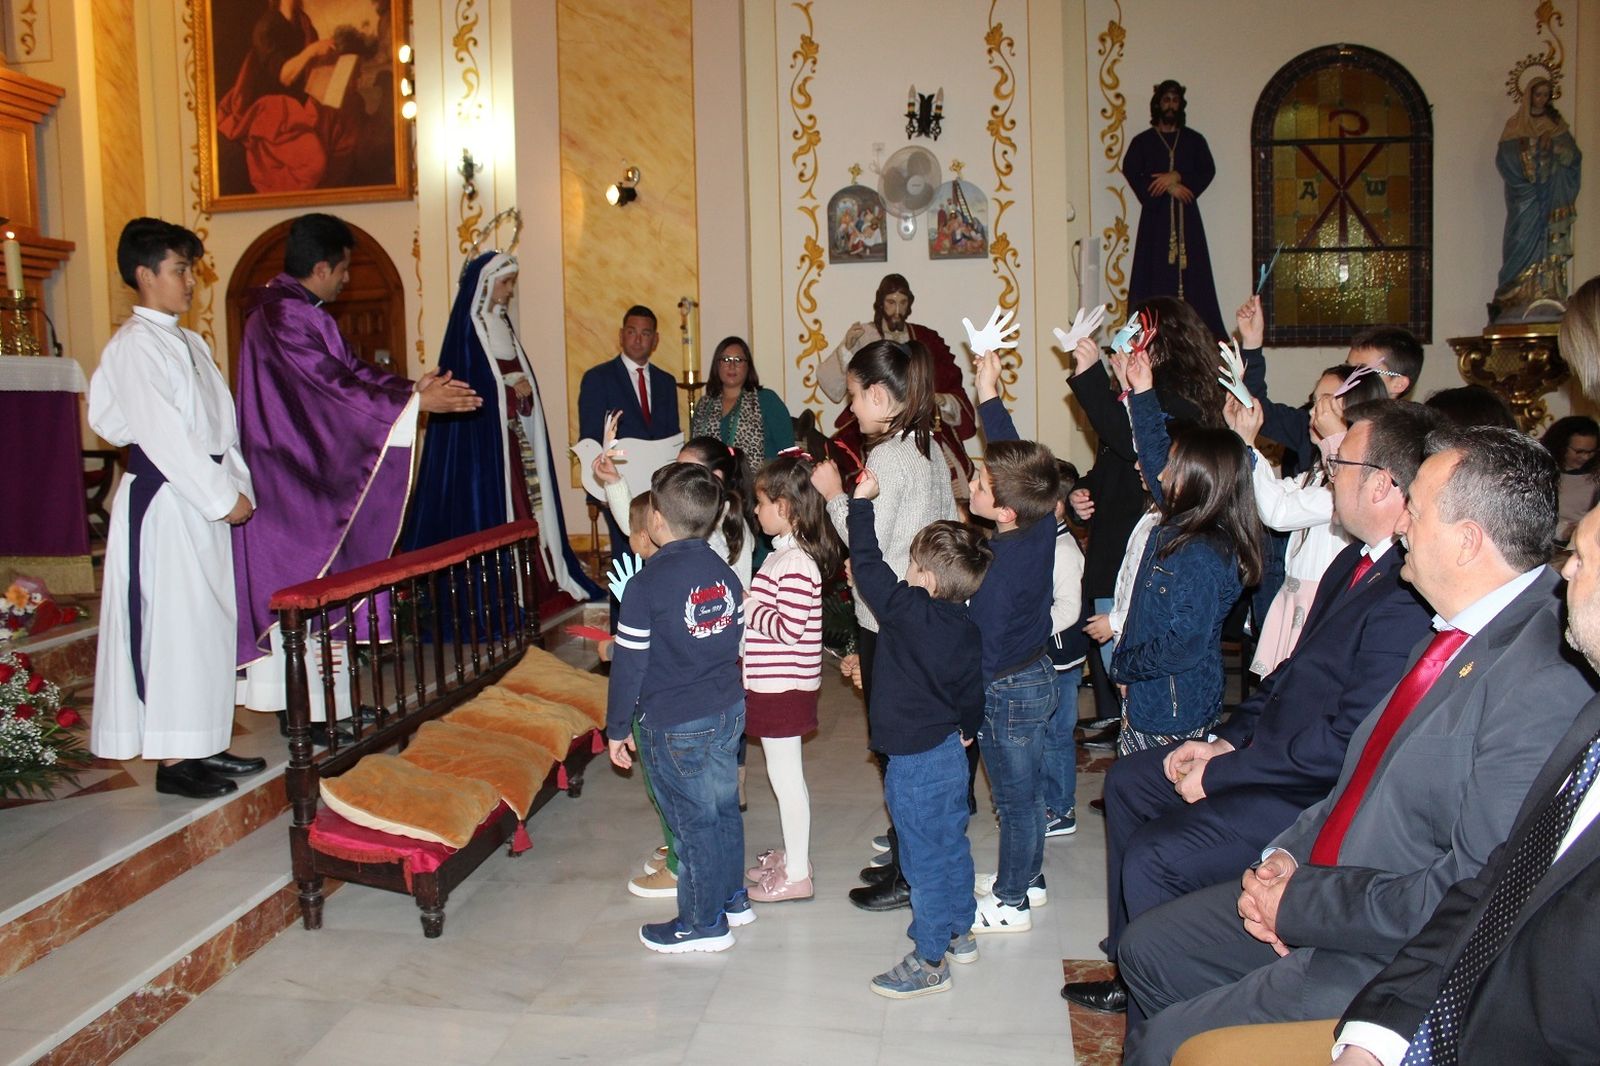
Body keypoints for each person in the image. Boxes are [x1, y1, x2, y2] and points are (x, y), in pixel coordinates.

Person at [1116, 425, 1597, 1065]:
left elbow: (1471, 888)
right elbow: (1361, 777)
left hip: (1379, 950)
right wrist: (1287, 855)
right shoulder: (1456, 625)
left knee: (1169, 1045)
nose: (1400, 530)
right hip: (1327, 882)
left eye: (1416, 514)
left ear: (1468, 541)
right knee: (1147, 948)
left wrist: (1301, 905)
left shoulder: (1541, 680)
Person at [1064, 400, 1437, 1015]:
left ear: (1380, 484)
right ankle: (1129, 957)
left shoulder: (1403, 593)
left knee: (1158, 856)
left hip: (1305, 794)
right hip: (1268, 760)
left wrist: (1224, 771)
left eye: (1340, 461)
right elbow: (1290, 677)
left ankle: (1163, 997)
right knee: (1131, 780)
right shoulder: (1353, 561)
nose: (1327, 468)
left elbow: (1346, 742)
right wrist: (1224, 743)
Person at [232, 213, 480, 728]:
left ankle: (329, 707)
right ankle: (309, 715)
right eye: (343, 268)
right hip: (294, 484)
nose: (347, 279)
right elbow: (333, 391)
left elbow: (348, 374)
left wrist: (411, 392)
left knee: (320, 595)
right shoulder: (287, 319)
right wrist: (413, 406)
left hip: (298, 476)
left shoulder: (292, 313)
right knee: (308, 595)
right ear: (321, 267)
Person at [89, 218, 263, 799]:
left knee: (205, 622)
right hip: (166, 500)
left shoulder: (188, 342)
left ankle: (202, 741)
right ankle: (172, 759)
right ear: (145, 275)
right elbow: (164, 436)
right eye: (180, 269)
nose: (191, 282)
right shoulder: (136, 346)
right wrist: (221, 496)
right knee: (171, 625)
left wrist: (237, 486)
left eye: (191, 269)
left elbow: (221, 426)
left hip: (201, 496)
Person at [813, 339, 957, 911]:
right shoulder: (925, 446)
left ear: (878, 395)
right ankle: (904, 856)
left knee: (897, 746)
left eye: (852, 397)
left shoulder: (890, 459)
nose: (850, 409)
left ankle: (910, 872)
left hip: (888, 615)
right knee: (905, 743)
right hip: (916, 612)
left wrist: (831, 497)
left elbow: (864, 536)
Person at [847, 470, 990, 998]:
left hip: (912, 761)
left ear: (927, 578)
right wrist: (969, 732)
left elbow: (866, 563)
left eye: (911, 564)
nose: (904, 572)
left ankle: (930, 958)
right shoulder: (967, 628)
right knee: (950, 843)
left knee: (922, 858)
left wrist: (861, 503)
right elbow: (972, 693)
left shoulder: (907, 611)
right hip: (951, 754)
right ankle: (960, 930)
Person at [401, 251, 601, 614]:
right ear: (488, 284)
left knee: (527, 513)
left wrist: (522, 393)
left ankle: (538, 581)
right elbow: (472, 388)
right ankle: (503, 593)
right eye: (506, 283)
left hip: (513, 444)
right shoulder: (469, 330)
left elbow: (511, 380)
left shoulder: (502, 325)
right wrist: (510, 392)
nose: (509, 291)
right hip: (483, 452)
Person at [605, 463, 747, 954]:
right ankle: (732, 897)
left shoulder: (648, 585)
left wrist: (616, 726)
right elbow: (732, 639)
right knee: (724, 807)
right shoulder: (724, 571)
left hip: (675, 723)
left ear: (657, 522)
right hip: (728, 710)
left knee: (693, 825)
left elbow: (628, 664)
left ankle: (702, 922)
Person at [1113, 344, 1263, 755]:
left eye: (1171, 468)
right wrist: (1142, 390)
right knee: (1133, 796)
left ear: (1197, 481)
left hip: (1172, 709)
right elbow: (1154, 450)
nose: (1159, 472)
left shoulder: (1200, 551)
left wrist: (1126, 664)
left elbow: (1185, 644)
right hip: (1151, 693)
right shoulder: (1184, 518)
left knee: (1155, 803)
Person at [963, 349, 1064, 935]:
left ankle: (1011, 899)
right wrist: (988, 394)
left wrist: (966, 708)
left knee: (1015, 800)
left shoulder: (997, 570)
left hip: (1005, 688)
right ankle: (1029, 875)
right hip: (1036, 676)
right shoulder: (1040, 518)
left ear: (1001, 510)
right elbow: (1018, 458)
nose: (972, 481)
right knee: (1023, 795)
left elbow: (988, 650)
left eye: (978, 481)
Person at [1229, 365, 1387, 677]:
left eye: (1327, 402)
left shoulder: (1353, 479)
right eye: (1314, 401)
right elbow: (1275, 495)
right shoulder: (1318, 473)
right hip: (1297, 594)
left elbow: (1279, 513)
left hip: (1322, 601)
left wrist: (1249, 444)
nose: (1315, 411)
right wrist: (1242, 440)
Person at [742, 457, 845, 904]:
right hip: (774, 683)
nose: (756, 510)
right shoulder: (784, 554)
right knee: (783, 777)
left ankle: (799, 873)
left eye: (763, 503)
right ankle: (794, 856)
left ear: (787, 507)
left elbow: (789, 627)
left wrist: (747, 605)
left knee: (786, 781)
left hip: (783, 687)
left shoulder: (796, 563)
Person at [821, 274, 978, 499]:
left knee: (944, 465)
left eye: (903, 303)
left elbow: (951, 383)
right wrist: (846, 347)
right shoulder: (865, 336)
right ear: (880, 303)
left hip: (920, 423)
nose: (897, 310)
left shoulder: (926, 339)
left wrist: (938, 399)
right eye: (891, 302)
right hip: (875, 423)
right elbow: (832, 388)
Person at [1067, 335, 1150, 732]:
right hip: (1108, 559)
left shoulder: (1153, 414)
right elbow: (1105, 475)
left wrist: (1092, 377)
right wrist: (1078, 496)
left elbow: (1130, 444)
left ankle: (1136, 767)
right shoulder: (1124, 408)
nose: (1122, 360)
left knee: (1132, 682)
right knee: (1116, 672)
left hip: (1132, 563)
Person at [216, 0, 360, 194]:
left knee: (345, 130)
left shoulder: (303, 23)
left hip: (301, 101)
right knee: (315, 163)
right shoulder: (266, 27)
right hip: (271, 108)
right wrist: (312, 51)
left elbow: (309, 71)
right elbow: (285, 76)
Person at [577, 305, 682, 565]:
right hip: (618, 483)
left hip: (657, 488)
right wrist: (599, 490)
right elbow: (590, 437)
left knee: (661, 556)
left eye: (645, 333)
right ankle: (623, 608)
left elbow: (671, 437)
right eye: (632, 332)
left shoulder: (666, 382)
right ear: (621, 335)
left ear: (655, 340)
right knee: (625, 559)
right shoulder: (597, 378)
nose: (638, 339)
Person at [1124, 81, 1227, 340]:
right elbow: (1131, 168)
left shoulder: (1193, 141)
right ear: (1157, 104)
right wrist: (1169, 187)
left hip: (1187, 224)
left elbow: (1207, 169)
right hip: (1156, 224)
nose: (1170, 105)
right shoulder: (1143, 142)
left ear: (1180, 105)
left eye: (1174, 100)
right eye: (1166, 100)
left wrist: (1179, 176)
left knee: (1195, 279)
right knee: (1152, 276)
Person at [1492, 76, 1582, 322]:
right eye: (1538, 94)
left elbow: (1573, 157)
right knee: (1519, 237)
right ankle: (1516, 296)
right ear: (1529, 95)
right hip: (1525, 197)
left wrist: (1554, 148)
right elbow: (1505, 159)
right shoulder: (1515, 125)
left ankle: (1548, 292)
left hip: (1551, 196)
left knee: (1549, 244)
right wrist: (1532, 149)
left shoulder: (1556, 125)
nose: (1542, 99)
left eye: (1546, 94)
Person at [1041, 460, 1087, 838]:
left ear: (1057, 504)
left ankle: (1061, 809)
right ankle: (1047, 802)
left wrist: (1029, 629)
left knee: (1057, 736)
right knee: (1045, 735)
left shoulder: (1064, 550)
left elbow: (1068, 611)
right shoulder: (1044, 543)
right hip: (1047, 657)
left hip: (1062, 659)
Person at [688, 336, 796, 484]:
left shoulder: (767, 400)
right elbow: (694, 452)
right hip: (711, 489)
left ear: (748, 366)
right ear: (717, 365)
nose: (732, 366)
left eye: (738, 360)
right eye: (726, 360)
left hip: (760, 490)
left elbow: (788, 453)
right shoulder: (704, 405)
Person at [1540, 414, 1599, 542]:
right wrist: (1564, 531)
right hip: (1550, 544)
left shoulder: (1596, 477)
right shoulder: (1541, 475)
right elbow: (1534, 519)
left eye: (1591, 452)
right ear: (1561, 446)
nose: (1585, 458)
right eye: (1579, 451)